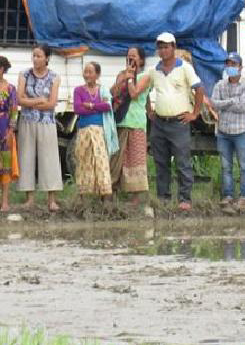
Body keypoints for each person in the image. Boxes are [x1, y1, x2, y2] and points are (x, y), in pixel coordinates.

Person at [148, 32, 204, 211]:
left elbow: (199, 89)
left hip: (179, 122)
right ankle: (163, 197)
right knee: (161, 161)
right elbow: (144, 92)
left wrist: (195, 113)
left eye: (166, 47)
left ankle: (185, 198)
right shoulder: (154, 70)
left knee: (182, 161)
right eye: (160, 47)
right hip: (159, 123)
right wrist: (149, 110)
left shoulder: (184, 67)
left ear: (173, 47)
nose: (163, 50)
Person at [17, 44, 62, 212]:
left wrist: (32, 102)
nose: (35, 59)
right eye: (34, 55)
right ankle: (29, 199)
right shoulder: (24, 74)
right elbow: (19, 100)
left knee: (49, 158)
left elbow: (51, 103)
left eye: (39, 56)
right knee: (26, 157)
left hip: (47, 122)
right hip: (27, 121)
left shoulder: (54, 77)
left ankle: (51, 200)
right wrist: (38, 101)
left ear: (47, 58)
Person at [210, 52, 245, 209]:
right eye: (228, 64)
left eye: (233, 64)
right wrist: (232, 101)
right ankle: (228, 195)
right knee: (225, 166)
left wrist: (225, 103)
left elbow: (243, 106)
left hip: (241, 131)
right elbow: (214, 104)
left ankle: (244, 196)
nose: (230, 67)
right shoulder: (219, 85)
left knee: (244, 165)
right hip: (224, 131)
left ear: (240, 67)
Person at [109, 47, 151, 204]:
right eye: (128, 57)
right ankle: (112, 194)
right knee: (116, 159)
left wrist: (130, 78)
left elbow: (134, 94)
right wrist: (122, 79)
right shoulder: (122, 74)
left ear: (141, 60)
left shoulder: (145, 77)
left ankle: (136, 199)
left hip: (136, 123)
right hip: (120, 121)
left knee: (135, 160)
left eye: (134, 57)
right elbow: (112, 93)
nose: (130, 60)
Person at [72, 62, 118, 198]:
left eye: (90, 72)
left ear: (97, 74)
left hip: (99, 131)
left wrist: (90, 105)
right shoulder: (78, 90)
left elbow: (108, 106)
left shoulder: (103, 90)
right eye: (85, 72)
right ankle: (84, 197)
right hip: (84, 130)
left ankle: (104, 196)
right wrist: (98, 106)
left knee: (101, 161)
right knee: (83, 161)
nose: (87, 75)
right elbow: (78, 109)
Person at [0, 56, 17, 212]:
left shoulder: (11, 89)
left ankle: (4, 202)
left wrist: (10, 131)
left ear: (3, 69)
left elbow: (13, 112)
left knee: (5, 166)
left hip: (4, 129)